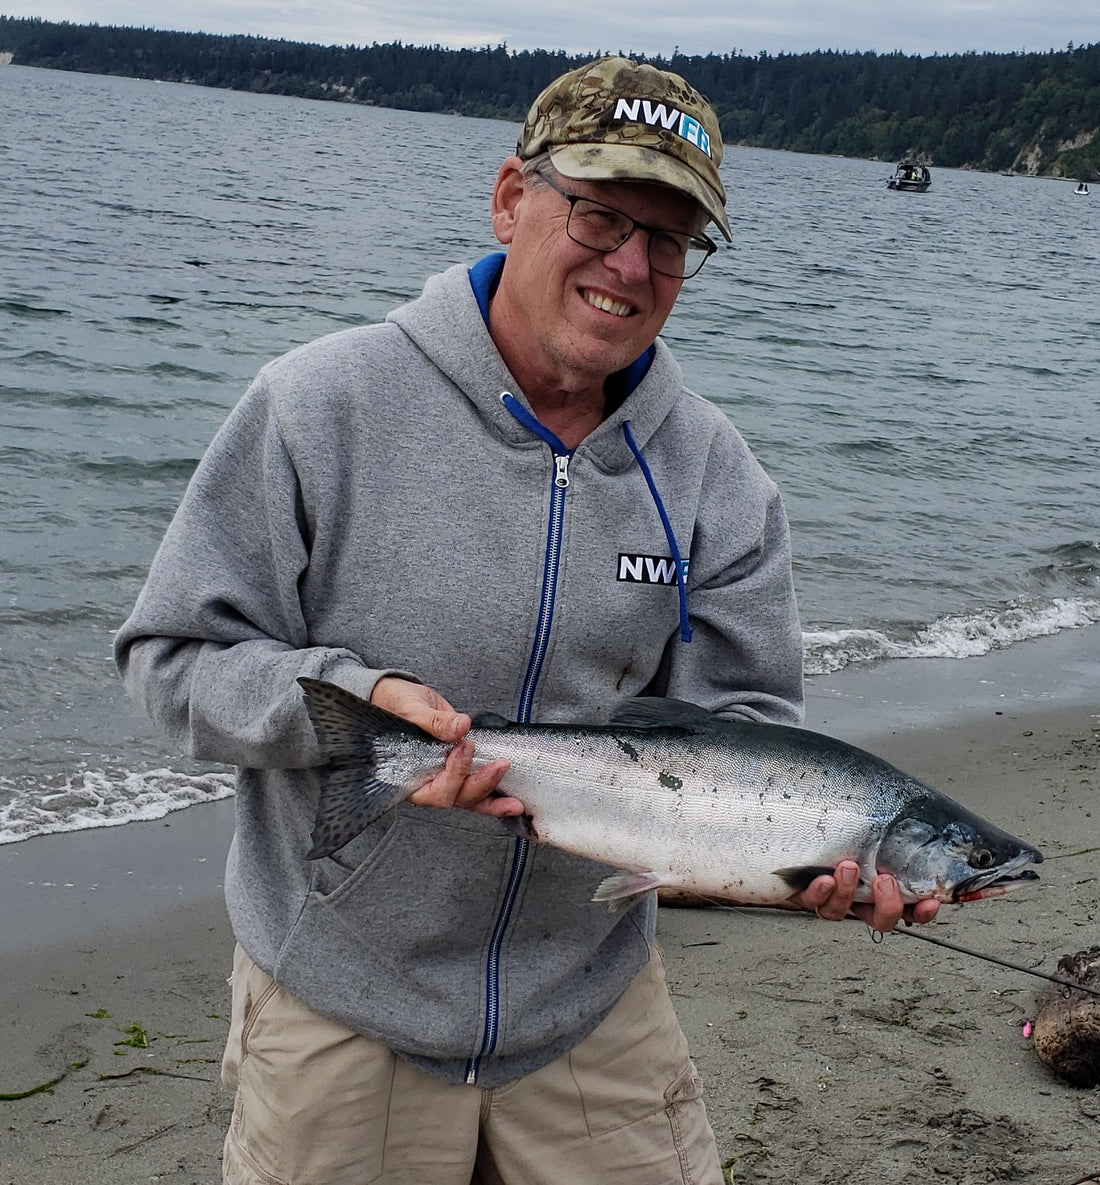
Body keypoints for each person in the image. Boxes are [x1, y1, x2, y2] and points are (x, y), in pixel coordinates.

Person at [115, 56, 938, 1185]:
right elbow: (174, 659)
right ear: (512, 197)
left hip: (589, 1003)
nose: (631, 264)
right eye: (601, 215)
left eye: (670, 238)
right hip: (342, 996)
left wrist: (801, 869)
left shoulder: (715, 478)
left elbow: (742, 730)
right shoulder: (319, 405)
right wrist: (351, 709)